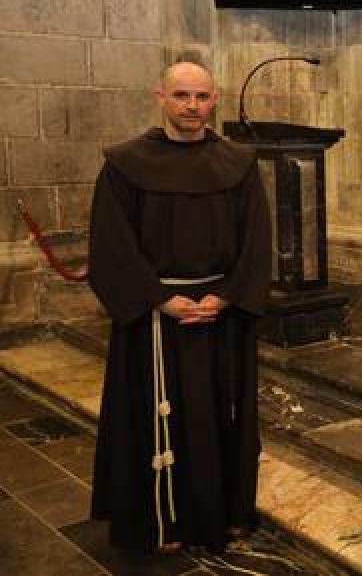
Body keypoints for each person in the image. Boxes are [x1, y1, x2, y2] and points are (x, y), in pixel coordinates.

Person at [87, 61, 272, 553]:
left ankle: (225, 514)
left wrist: (228, 294)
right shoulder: (125, 164)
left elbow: (256, 239)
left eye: (203, 97)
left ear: (215, 99)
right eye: (182, 96)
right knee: (153, 419)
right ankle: (159, 521)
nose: (193, 107)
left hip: (219, 314)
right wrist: (158, 298)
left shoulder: (238, 163)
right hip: (153, 315)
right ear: (160, 97)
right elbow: (110, 245)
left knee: (222, 418)